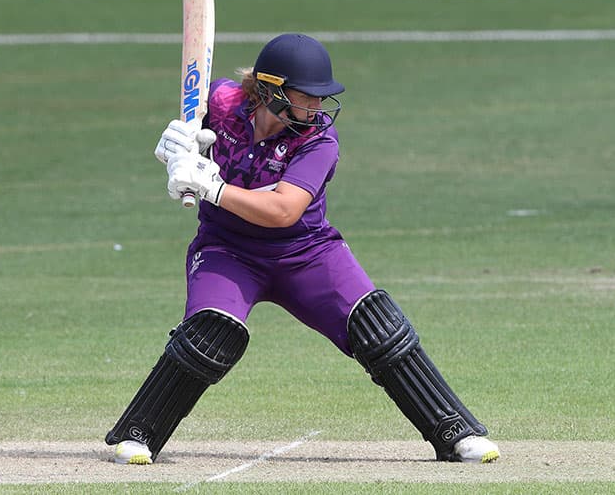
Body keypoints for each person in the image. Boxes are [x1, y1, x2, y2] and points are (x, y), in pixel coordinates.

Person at [105, 33, 500, 465]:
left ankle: (454, 430)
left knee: (377, 326)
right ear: (272, 91)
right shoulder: (220, 102)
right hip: (227, 250)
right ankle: (139, 432)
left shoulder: (319, 140)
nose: (316, 108)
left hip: (306, 252)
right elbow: (190, 135)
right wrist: (175, 150)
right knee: (210, 331)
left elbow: (283, 210)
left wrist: (211, 186)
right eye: (306, 97)